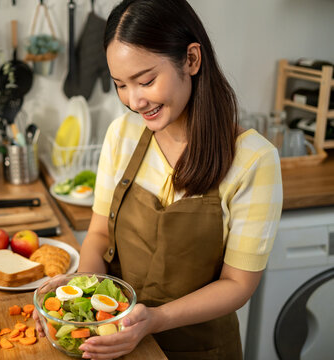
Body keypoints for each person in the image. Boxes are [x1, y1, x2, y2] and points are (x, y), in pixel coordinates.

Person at [35, 0, 283, 359]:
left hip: (203, 349)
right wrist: (84, 299)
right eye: (120, 84)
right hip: (118, 344)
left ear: (192, 60)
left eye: (146, 80)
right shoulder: (122, 135)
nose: (134, 100)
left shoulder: (254, 160)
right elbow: (99, 235)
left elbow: (238, 285)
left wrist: (154, 319)